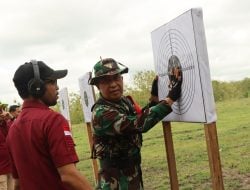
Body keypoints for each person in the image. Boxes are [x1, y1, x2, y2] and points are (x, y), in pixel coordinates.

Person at [89, 58, 182, 190]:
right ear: (98, 86)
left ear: (122, 79)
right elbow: (137, 124)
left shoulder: (123, 102)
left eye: (116, 78)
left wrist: (154, 98)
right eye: (106, 81)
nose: (114, 84)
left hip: (131, 173)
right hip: (115, 181)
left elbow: (139, 116)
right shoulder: (101, 113)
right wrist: (171, 98)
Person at [7, 60, 93, 190]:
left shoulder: (13, 129)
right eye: (52, 82)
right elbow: (69, 176)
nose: (57, 87)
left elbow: (18, 184)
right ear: (37, 87)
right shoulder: (52, 120)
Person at [0, 102, 13, 190]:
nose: (2, 114)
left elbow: (16, 130)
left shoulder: (5, 125)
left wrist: (11, 118)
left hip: (9, 166)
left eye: (2, 111)